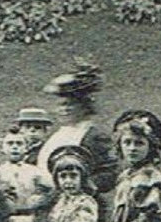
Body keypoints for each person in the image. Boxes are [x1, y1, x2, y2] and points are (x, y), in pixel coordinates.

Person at [38, 65, 118, 208]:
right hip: (51, 203)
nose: (65, 110)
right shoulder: (57, 136)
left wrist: (83, 185)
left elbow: (109, 174)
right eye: (61, 105)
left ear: (83, 106)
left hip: (81, 205)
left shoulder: (94, 136)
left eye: (70, 104)